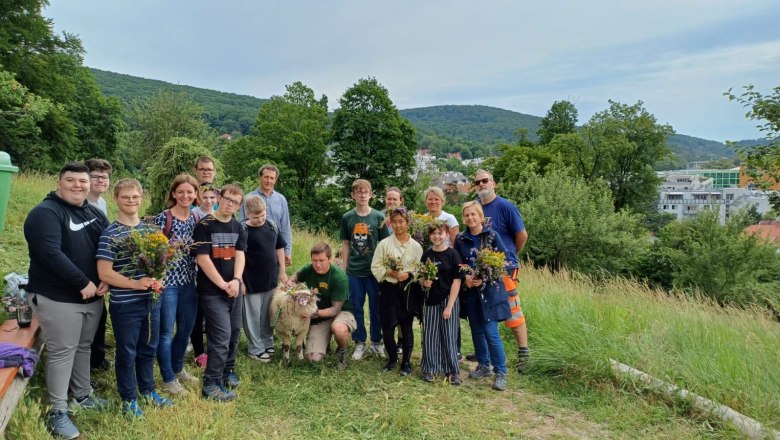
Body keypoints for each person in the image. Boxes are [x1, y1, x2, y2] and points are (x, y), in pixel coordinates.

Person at [24, 162, 110, 439]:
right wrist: (82, 282)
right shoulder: (45, 213)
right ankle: (57, 411)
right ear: (59, 182)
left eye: (82, 181)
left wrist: (107, 276)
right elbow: (50, 253)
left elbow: (110, 247)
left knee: (83, 347)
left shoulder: (94, 214)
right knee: (63, 352)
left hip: (92, 297)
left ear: (90, 184)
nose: (77, 186)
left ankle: (82, 395)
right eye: (71, 180)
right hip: (58, 296)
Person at [97, 178, 173, 417]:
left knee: (148, 348)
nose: (131, 201)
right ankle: (129, 399)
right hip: (125, 304)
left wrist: (160, 278)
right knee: (127, 351)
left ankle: (148, 390)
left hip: (152, 301)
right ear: (116, 199)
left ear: (142, 198)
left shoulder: (151, 230)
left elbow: (163, 262)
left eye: (135, 197)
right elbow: (104, 272)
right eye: (126, 197)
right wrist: (134, 284)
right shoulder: (110, 234)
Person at [193, 184, 247, 402]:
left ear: (239, 206)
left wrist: (236, 280)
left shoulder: (239, 227)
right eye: (226, 199)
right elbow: (202, 259)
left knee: (234, 332)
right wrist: (223, 284)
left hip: (235, 289)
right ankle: (211, 384)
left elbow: (241, 255)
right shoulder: (205, 225)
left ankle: (228, 372)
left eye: (235, 202)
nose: (229, 204)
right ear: (219, 198)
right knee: (221, 337)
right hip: (212, 292)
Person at [474, 169, 530, 373]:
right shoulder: (476, 207)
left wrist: (509, 256)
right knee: (486, 310)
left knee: (512, 311)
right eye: (478, 182)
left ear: (493, 183)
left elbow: (522, 235)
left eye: (485, 181)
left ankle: (524, 353)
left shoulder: (505, 206)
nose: (481, 184)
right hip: (483, 269)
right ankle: (486, 352)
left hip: (504, 269)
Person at [152, 174, 201, 396]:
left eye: (190, 192)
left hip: (189, 282)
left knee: (186, 329)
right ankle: (168, 379)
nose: (185, 196)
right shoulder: (164, 218)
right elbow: (153, 251)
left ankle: (178, 368)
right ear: (173, 194)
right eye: (180, 192)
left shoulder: (197, 219)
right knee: (165, 332)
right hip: (168, 283)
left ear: (196, 194)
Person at [454, 201, 511, 391]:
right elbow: (458, 263)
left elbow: (505, 260)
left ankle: (501, 371)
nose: (470, 218)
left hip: (490, 293)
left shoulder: (492, 236)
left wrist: (484, 277)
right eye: (467, 215)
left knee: (491, 333)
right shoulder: (461, 239)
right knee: (477, 331)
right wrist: (466, 277)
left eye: (473, 214)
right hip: (471, 294)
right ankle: (484, 365)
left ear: (480, 216)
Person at [339, 179, 390, 360]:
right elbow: (345, 243)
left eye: (365, 192)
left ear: (371, 194)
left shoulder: (378, 217)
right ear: (353, 195)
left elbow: (385, 244)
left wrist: (384, 268)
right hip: (354, 271)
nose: (362, 195)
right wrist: (344, 267)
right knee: (356, 307)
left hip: (374, 271)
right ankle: (359, 342)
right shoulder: (347, 217)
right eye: (358, 192)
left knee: (376, 308)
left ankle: (377, 342)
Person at [285, 243, 356, 370]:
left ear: (330, 259)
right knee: (313, 358)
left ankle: (342, 353)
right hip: (320, 316)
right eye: (314, 260)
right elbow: (297, 275)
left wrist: (312, 314)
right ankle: (324, 343)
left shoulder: (339, 277)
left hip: (341, 313)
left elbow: (335, 310)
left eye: (322, 260)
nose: (318, 265)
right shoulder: (310, 269)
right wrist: (290, 282)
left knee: (338, 328)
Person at [370, 207, 423, 375]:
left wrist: (408, 274)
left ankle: (406, 362)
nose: (398, 225)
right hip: (389, 288)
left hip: (407, 290)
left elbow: (420, 270)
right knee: (388, 325)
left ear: (407, 223)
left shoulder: (416, 247)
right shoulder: (384, 244)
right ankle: (392, 359)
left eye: (401, 221)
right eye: (394, 222)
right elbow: (375, 266)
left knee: (406, 326)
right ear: (390, 223)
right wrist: (390, 273)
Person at [242, 195, 287, 362]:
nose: (260, 219)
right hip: (250, 281)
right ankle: (255, 347)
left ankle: (267, 341)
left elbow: (280, 247)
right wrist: (240, 280)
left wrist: (282, 271)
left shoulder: (272, 226)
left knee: (267, 314)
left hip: (270, 279)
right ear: (247, 213)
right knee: (252, 315)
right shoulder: (243, 230)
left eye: (262, 215)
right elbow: (237, 257)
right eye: (255, 217)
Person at [419, 222, 463, 385]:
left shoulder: (453, 255)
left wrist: (450, 306)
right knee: (430, 335)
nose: (437, 236)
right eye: (433, 233)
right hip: (430, 299)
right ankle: (430, 368)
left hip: (448, 300)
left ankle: (451, 370)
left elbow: (457, 282)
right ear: (429, 236)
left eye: (440, 233)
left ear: (446, 235)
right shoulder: (426, 255)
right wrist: (424, 282)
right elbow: (422, 277)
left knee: (449, 335)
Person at [85, 158, 112, 375]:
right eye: (96, 176)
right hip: (85, 268)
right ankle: (90, 361)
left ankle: (97, 357)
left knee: (100, 314)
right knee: (91, 317)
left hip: (99, 266)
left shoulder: (101, 203)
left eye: (105, 177)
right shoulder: (81, 203)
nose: (101, 180)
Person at [190, 156, 217, 369]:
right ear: (199, 198)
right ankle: (198, 350)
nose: (208, 201)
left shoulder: (222, 217)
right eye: (204, 197)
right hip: (196, 270)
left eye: (212, 197)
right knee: (196, 312)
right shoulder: (193, 216)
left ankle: (216, 348)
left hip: (217, 271)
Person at [238, 164, 293, 267]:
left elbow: (285, 227)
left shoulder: (281, 200)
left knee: (272, 280)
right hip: (252, 250)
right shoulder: (248, 198)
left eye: (272, 178)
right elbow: (241, 224)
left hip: (275, 250)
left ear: (275, 180)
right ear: (260, 177)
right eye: (266, 177)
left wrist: (288, 251)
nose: (268, 180)